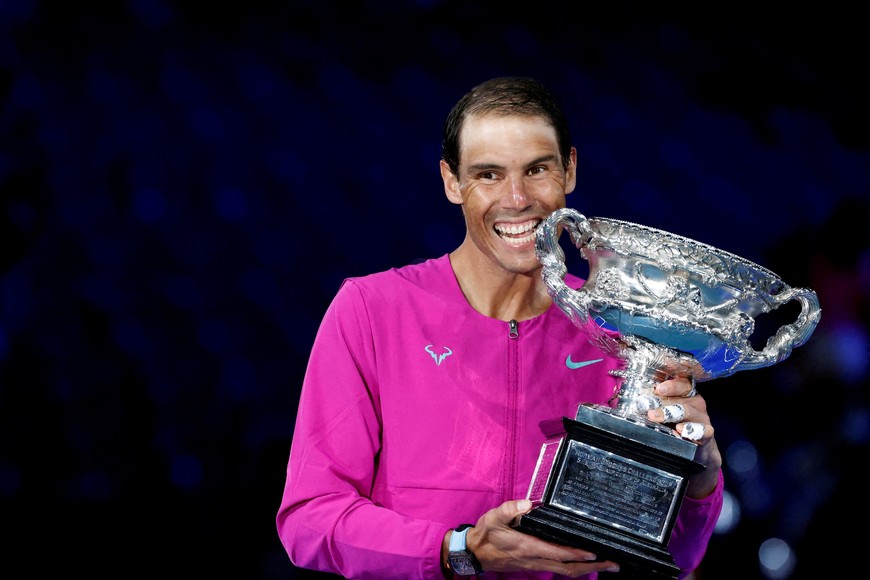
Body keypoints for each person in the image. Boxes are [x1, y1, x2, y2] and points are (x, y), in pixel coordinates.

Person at [276, 76, 724, 579]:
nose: (516, 198)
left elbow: (673, 563)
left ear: (570, 170)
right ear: (451, 181)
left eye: (537, 169)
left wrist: (700, 476)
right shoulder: (371, 310)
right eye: (488, 175)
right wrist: (458, 550)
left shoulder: (622, 332)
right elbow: (310, 522)